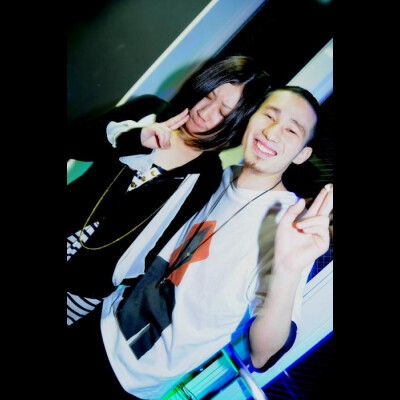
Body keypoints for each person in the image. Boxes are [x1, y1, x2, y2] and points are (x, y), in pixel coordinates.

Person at [66, 85, 333, 399]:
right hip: (99, 320)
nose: (272, 132)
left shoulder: (288, 227)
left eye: (291, 130)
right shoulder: (215, 176)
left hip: (131, 381)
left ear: (302, 154)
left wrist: (288, 270)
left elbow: (263, 355)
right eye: (269, 116)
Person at [66, 56, 271, 325]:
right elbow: (75, 143)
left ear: (237, 123)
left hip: (84, 287)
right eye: (208, 95)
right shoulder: (149, 111)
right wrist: (134, 137)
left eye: (223, 112)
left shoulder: (207, 177)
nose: (205, 112)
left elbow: (162, 245)